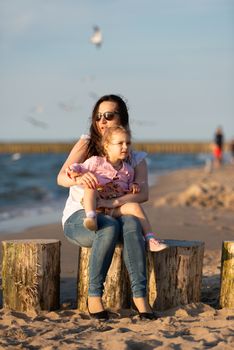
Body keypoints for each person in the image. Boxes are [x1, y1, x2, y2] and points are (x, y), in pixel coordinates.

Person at [57, 94, 157, 320]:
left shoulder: (134, 157)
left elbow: (143, 194)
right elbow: (61, 177)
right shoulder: (87, 145)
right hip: (80, 217)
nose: (102, 121)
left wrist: (111, 203)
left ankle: (140, 298)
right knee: (110, 226)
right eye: (98, 116)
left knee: (131, 222)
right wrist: (79, 179)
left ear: (122, 119)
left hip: (114, 213)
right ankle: (94, 297)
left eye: (109, 115)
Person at [66, 125, 167, 252]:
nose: (125, 146)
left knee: (135, 206)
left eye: (128, 143)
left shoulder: (128, 170)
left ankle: (150, 238)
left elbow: (125, 188)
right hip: (97, 205)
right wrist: (74, 171)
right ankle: (91, 217)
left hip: (114, 208)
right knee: (90, 186)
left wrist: (133, 186)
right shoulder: (96, 162)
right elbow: (78, 167)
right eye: (120, 143)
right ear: (107, 146)